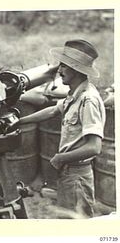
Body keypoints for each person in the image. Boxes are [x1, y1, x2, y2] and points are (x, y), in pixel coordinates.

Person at [19, 40, 106, 218]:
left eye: (64, 66)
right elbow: (52, 110)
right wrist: (20, 121)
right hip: (69, 174)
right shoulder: (74, 93)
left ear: (77, 69)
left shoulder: (88, 100)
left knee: (75, 226)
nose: (59, 71)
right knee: (66, 222)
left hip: (77, 176)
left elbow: (94, 147)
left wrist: (60, 158)